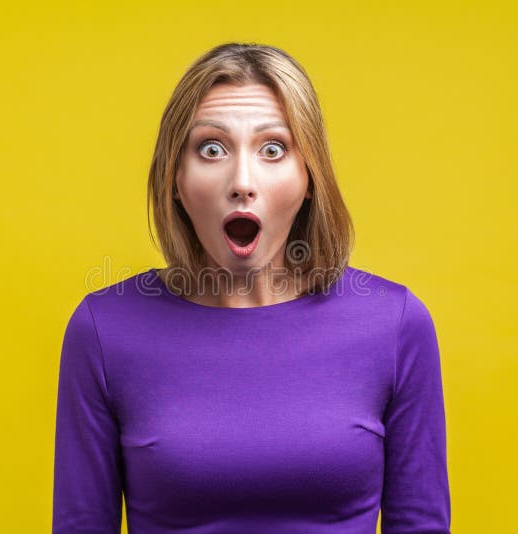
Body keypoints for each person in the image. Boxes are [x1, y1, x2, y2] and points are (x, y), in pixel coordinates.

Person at [52, 42, 451, 533]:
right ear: (175, 179)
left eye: (273, 149)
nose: (242, 181)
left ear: (309, 178)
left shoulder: (396, 326)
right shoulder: (103, 332)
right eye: (212, 149)